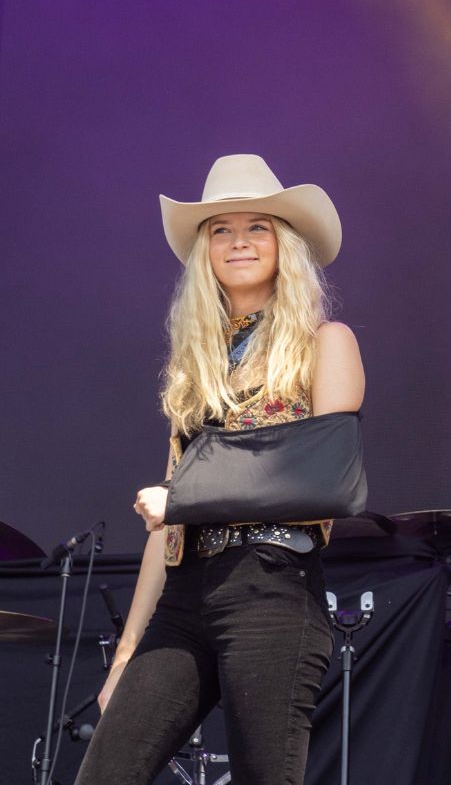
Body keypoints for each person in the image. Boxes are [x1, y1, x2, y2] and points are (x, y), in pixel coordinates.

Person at [79, 154, 362, 784]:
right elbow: (166, 527)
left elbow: (328, 478)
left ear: (284, 244)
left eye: (257, 227)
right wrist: (126, 652)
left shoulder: (326, 343)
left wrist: (186, 498)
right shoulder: (197, 370)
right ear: (205, 251)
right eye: (221, 230)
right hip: (186, 597)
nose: (239, 241)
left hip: (272, 588)